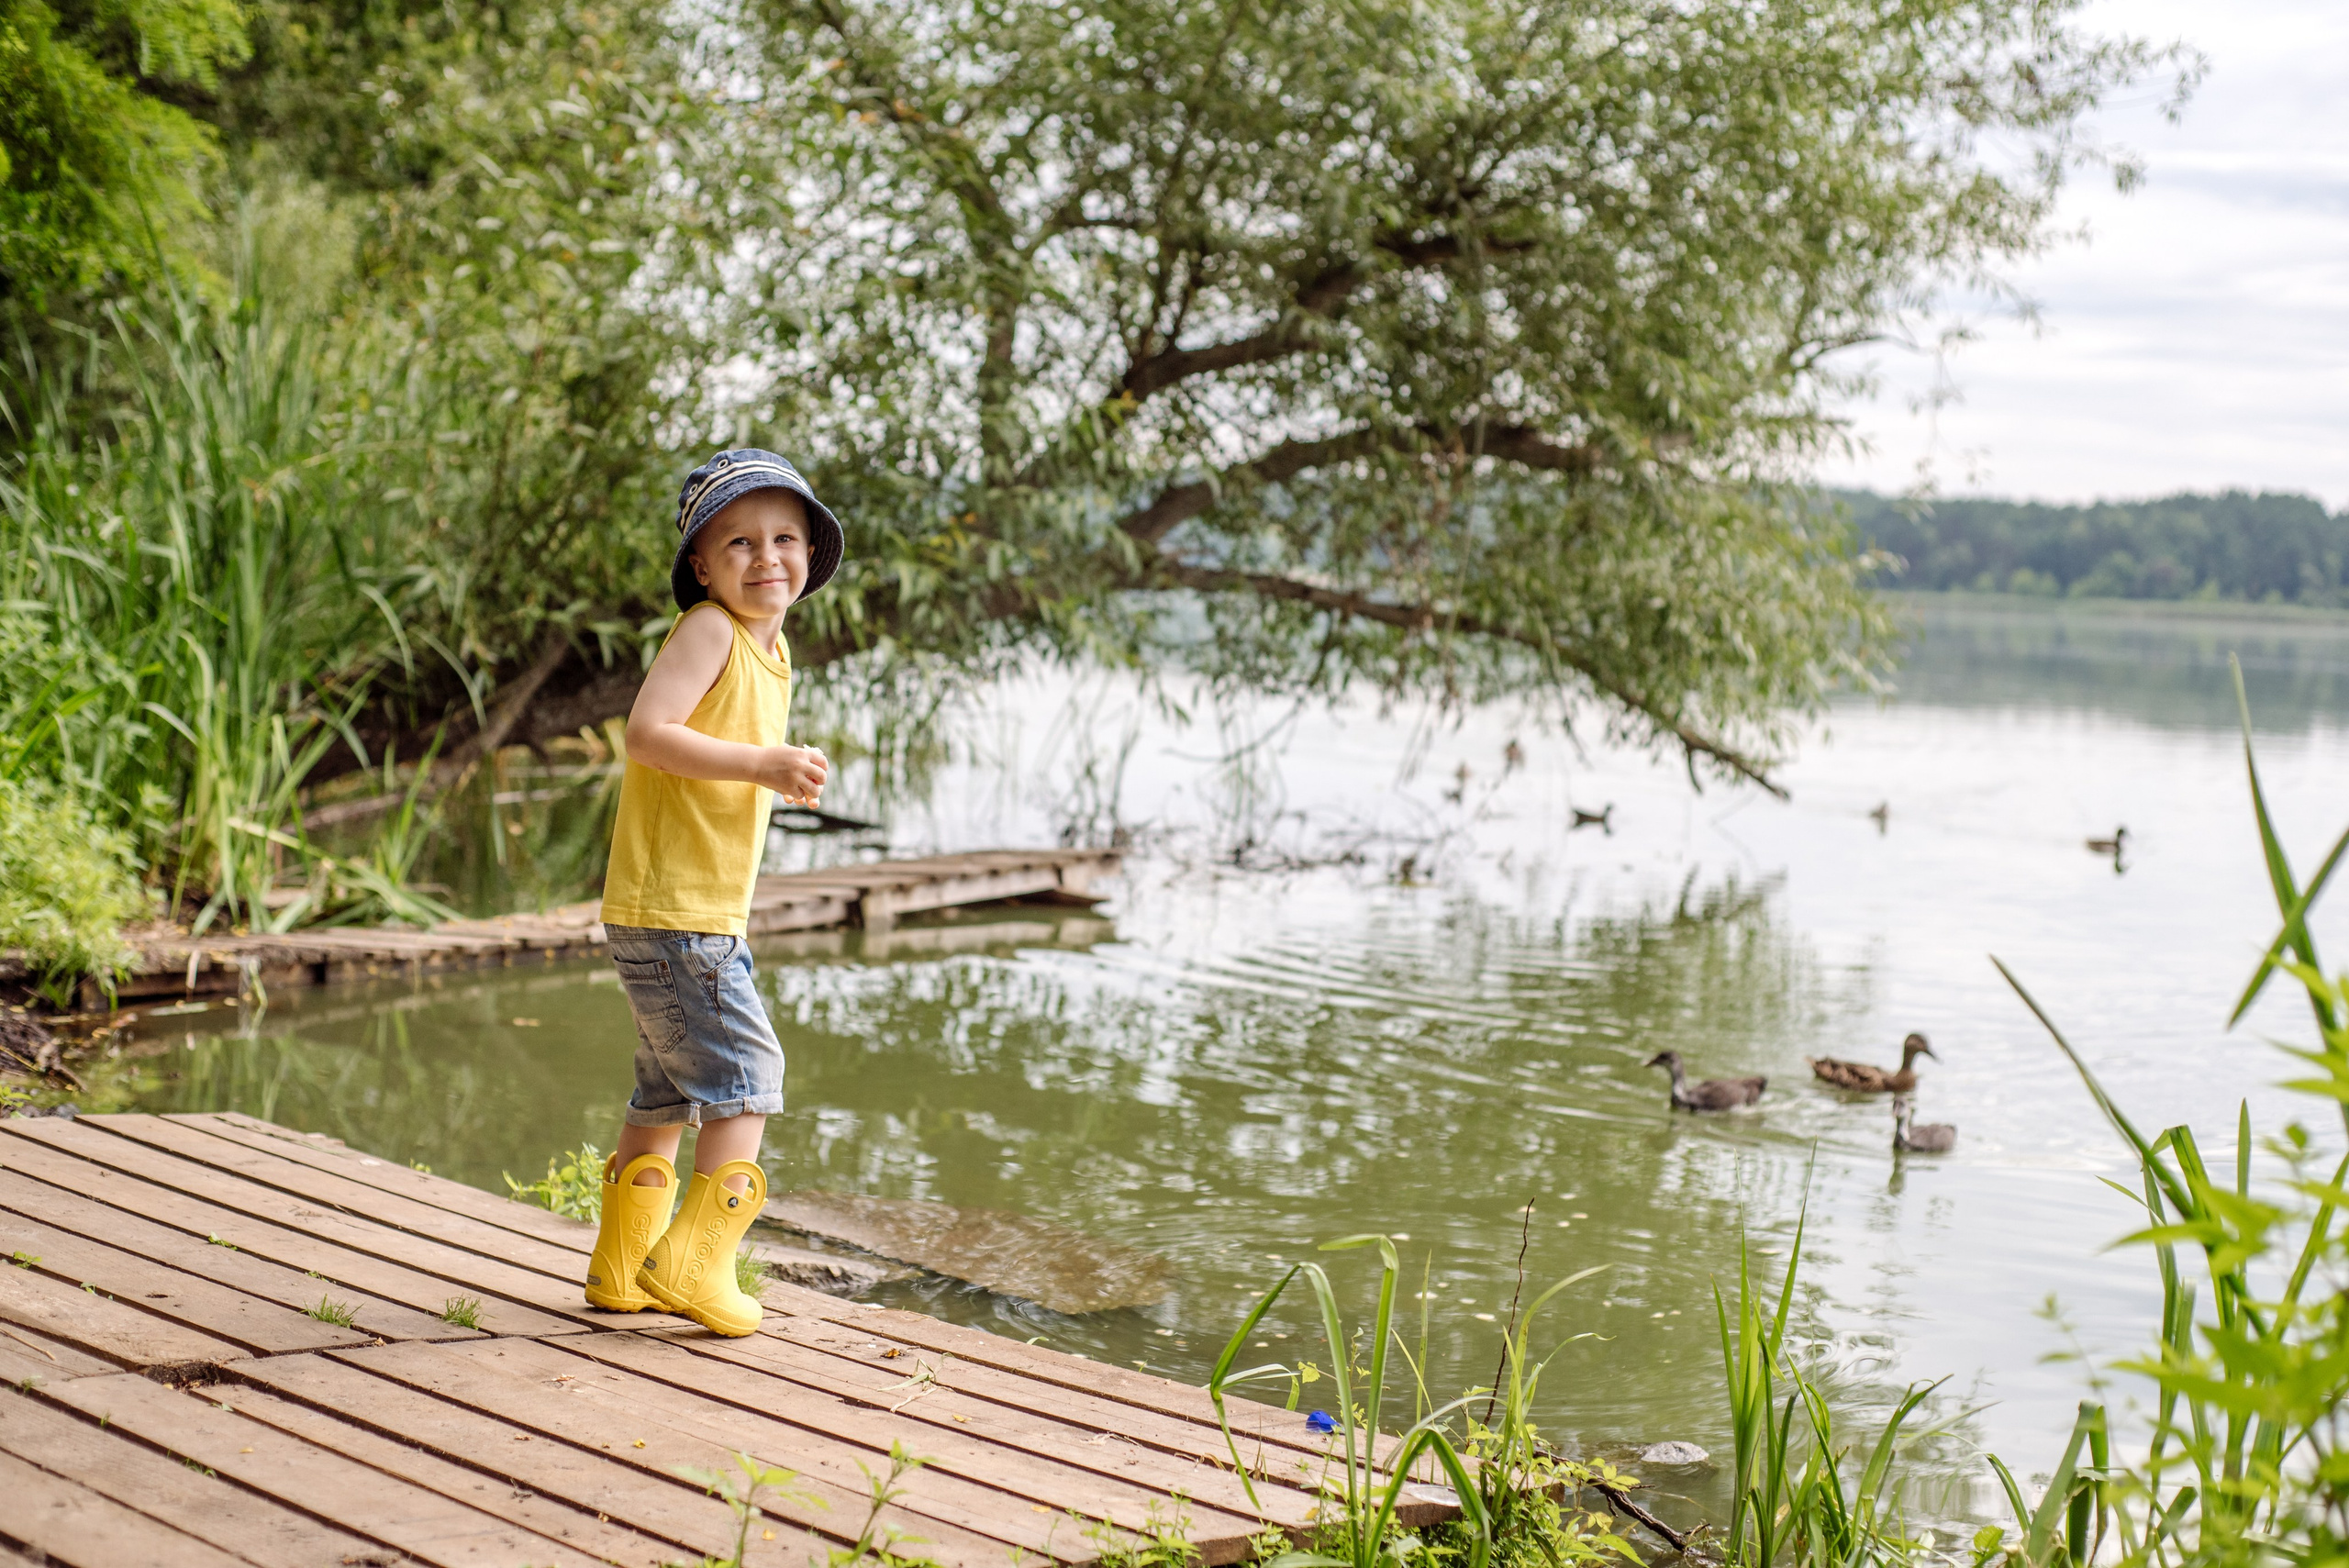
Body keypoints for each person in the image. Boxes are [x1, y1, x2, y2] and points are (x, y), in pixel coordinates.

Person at [582, 449, 841, 1335]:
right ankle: (693, 1266)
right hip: (679, 914)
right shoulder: (708, 630)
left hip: (683, 912)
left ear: (811, 552)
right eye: (738, 540)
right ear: (701, 563)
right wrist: (765, 763)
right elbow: (648, 734)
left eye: (784, 537)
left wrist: (772, 771)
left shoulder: (771, 651)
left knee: (664, 1094)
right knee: (748, 1079)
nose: (765, 556)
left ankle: (621, 1268)